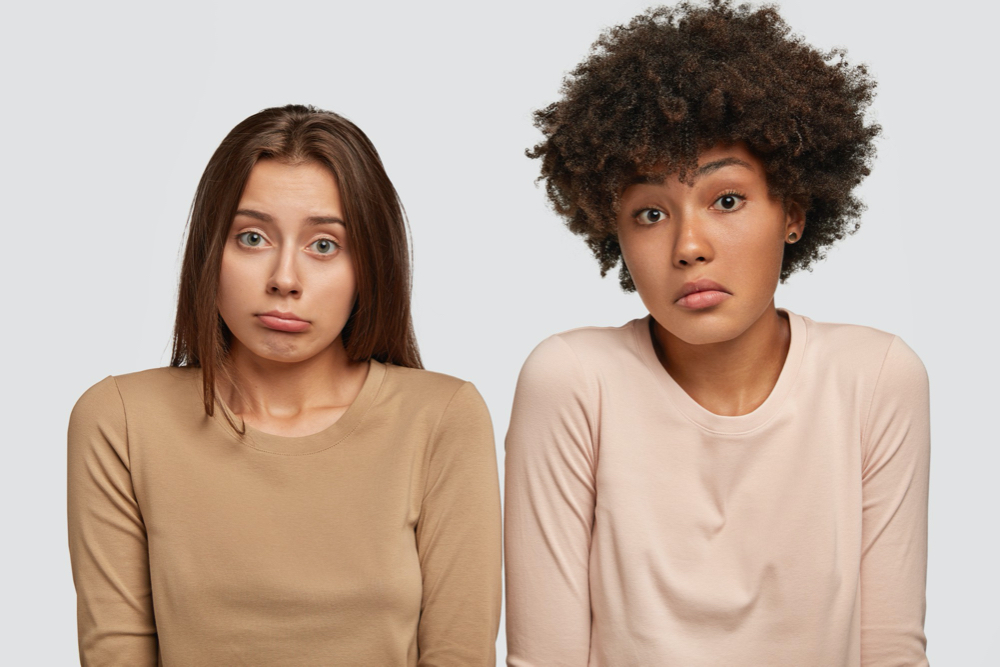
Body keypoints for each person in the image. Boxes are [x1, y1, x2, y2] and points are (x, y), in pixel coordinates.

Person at [504, 2, 929, 666]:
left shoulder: (874, 378)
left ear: (793, 211)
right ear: (614, 231)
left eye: (726, 200)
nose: (688, 246)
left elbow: (892, 652)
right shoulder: (573, 381)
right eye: (650, 213)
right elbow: (544, 659)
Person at [67, 104, 501, 666]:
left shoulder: (441, 417)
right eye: (252, 238)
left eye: (324, 245)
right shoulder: (122, 419)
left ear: (370, 265)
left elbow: (459, 654)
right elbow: (116, 652)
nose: (285, 280)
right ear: (210, 250)